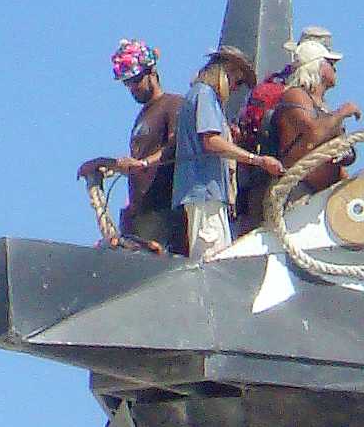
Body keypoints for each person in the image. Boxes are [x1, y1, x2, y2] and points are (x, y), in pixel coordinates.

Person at [172, 46, 280, 260]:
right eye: (237, 82)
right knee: (213, 260)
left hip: (204, 193)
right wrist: (256, 160)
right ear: (225, 72)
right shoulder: (205, 95)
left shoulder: (196, 95)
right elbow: (211, 141)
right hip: (204, 192)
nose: (234, 89)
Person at [82, 38, 181, 251]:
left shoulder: (172, 105)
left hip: (162, 209)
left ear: (151, 72)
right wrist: (101, 163)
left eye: (136, 80)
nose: (133, 88)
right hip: (140, 212)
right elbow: (134, 163)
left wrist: (143, 164)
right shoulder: (142, 116)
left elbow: (174, 148)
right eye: (128, 84)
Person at [269, 28, 364, 195]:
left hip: (321, 196)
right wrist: (343, 111)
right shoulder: (294, 95)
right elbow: (314, 135)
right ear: (319, 67)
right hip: (298, 193)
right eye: (331, 64)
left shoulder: (322, 108)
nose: (335, 69)